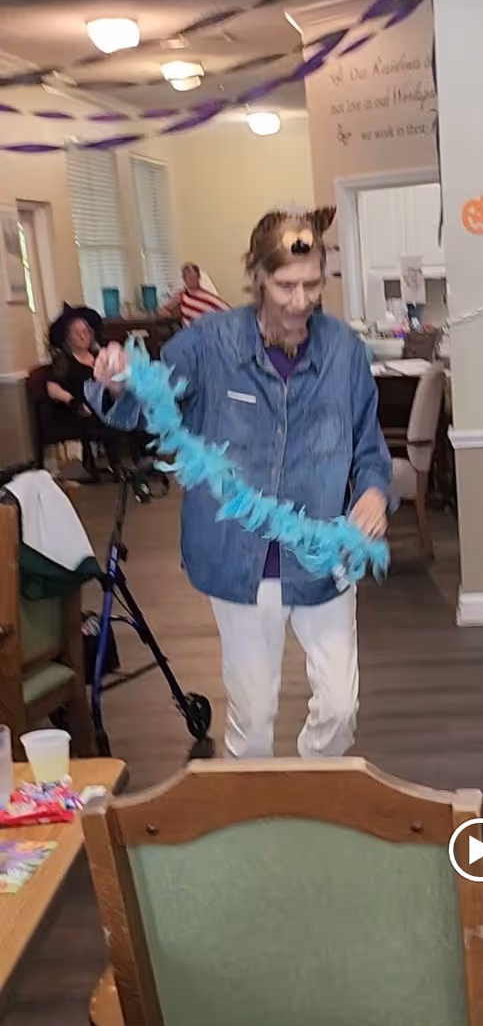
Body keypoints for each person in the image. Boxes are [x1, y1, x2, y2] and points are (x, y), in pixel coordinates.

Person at [92, 207, 391, 760]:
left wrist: (373, 491)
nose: (301, 301)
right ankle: (251, 821)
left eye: (312, 285)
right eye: (285, 286)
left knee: (340, 709)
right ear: (256, 275)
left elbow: (369, 448)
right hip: (238, 559)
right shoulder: (208, 345)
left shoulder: (344, 352)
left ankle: (310, 795)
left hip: (323, 559)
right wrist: (116, 382)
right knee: (253, 719)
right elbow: (141, 407)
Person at [44, 305, 123, 480]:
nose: (82, 335)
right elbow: (52, 388)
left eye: (86, 331)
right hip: (79, 409)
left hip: (104, 402)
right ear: (68, 337)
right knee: (106, 418)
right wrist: (73, 402)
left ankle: (146, 458)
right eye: (77, 332)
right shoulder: (64, 361)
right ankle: (116, 466)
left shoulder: (99, 356)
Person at [161, 262, 230, 326]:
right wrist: (168, 313)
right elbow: (166, 308)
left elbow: (228, 311)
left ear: (198, 277)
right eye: (186, 277)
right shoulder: (182, 295)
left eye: (192, 277)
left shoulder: (209, 297)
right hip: (189, 331)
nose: (189, 280)